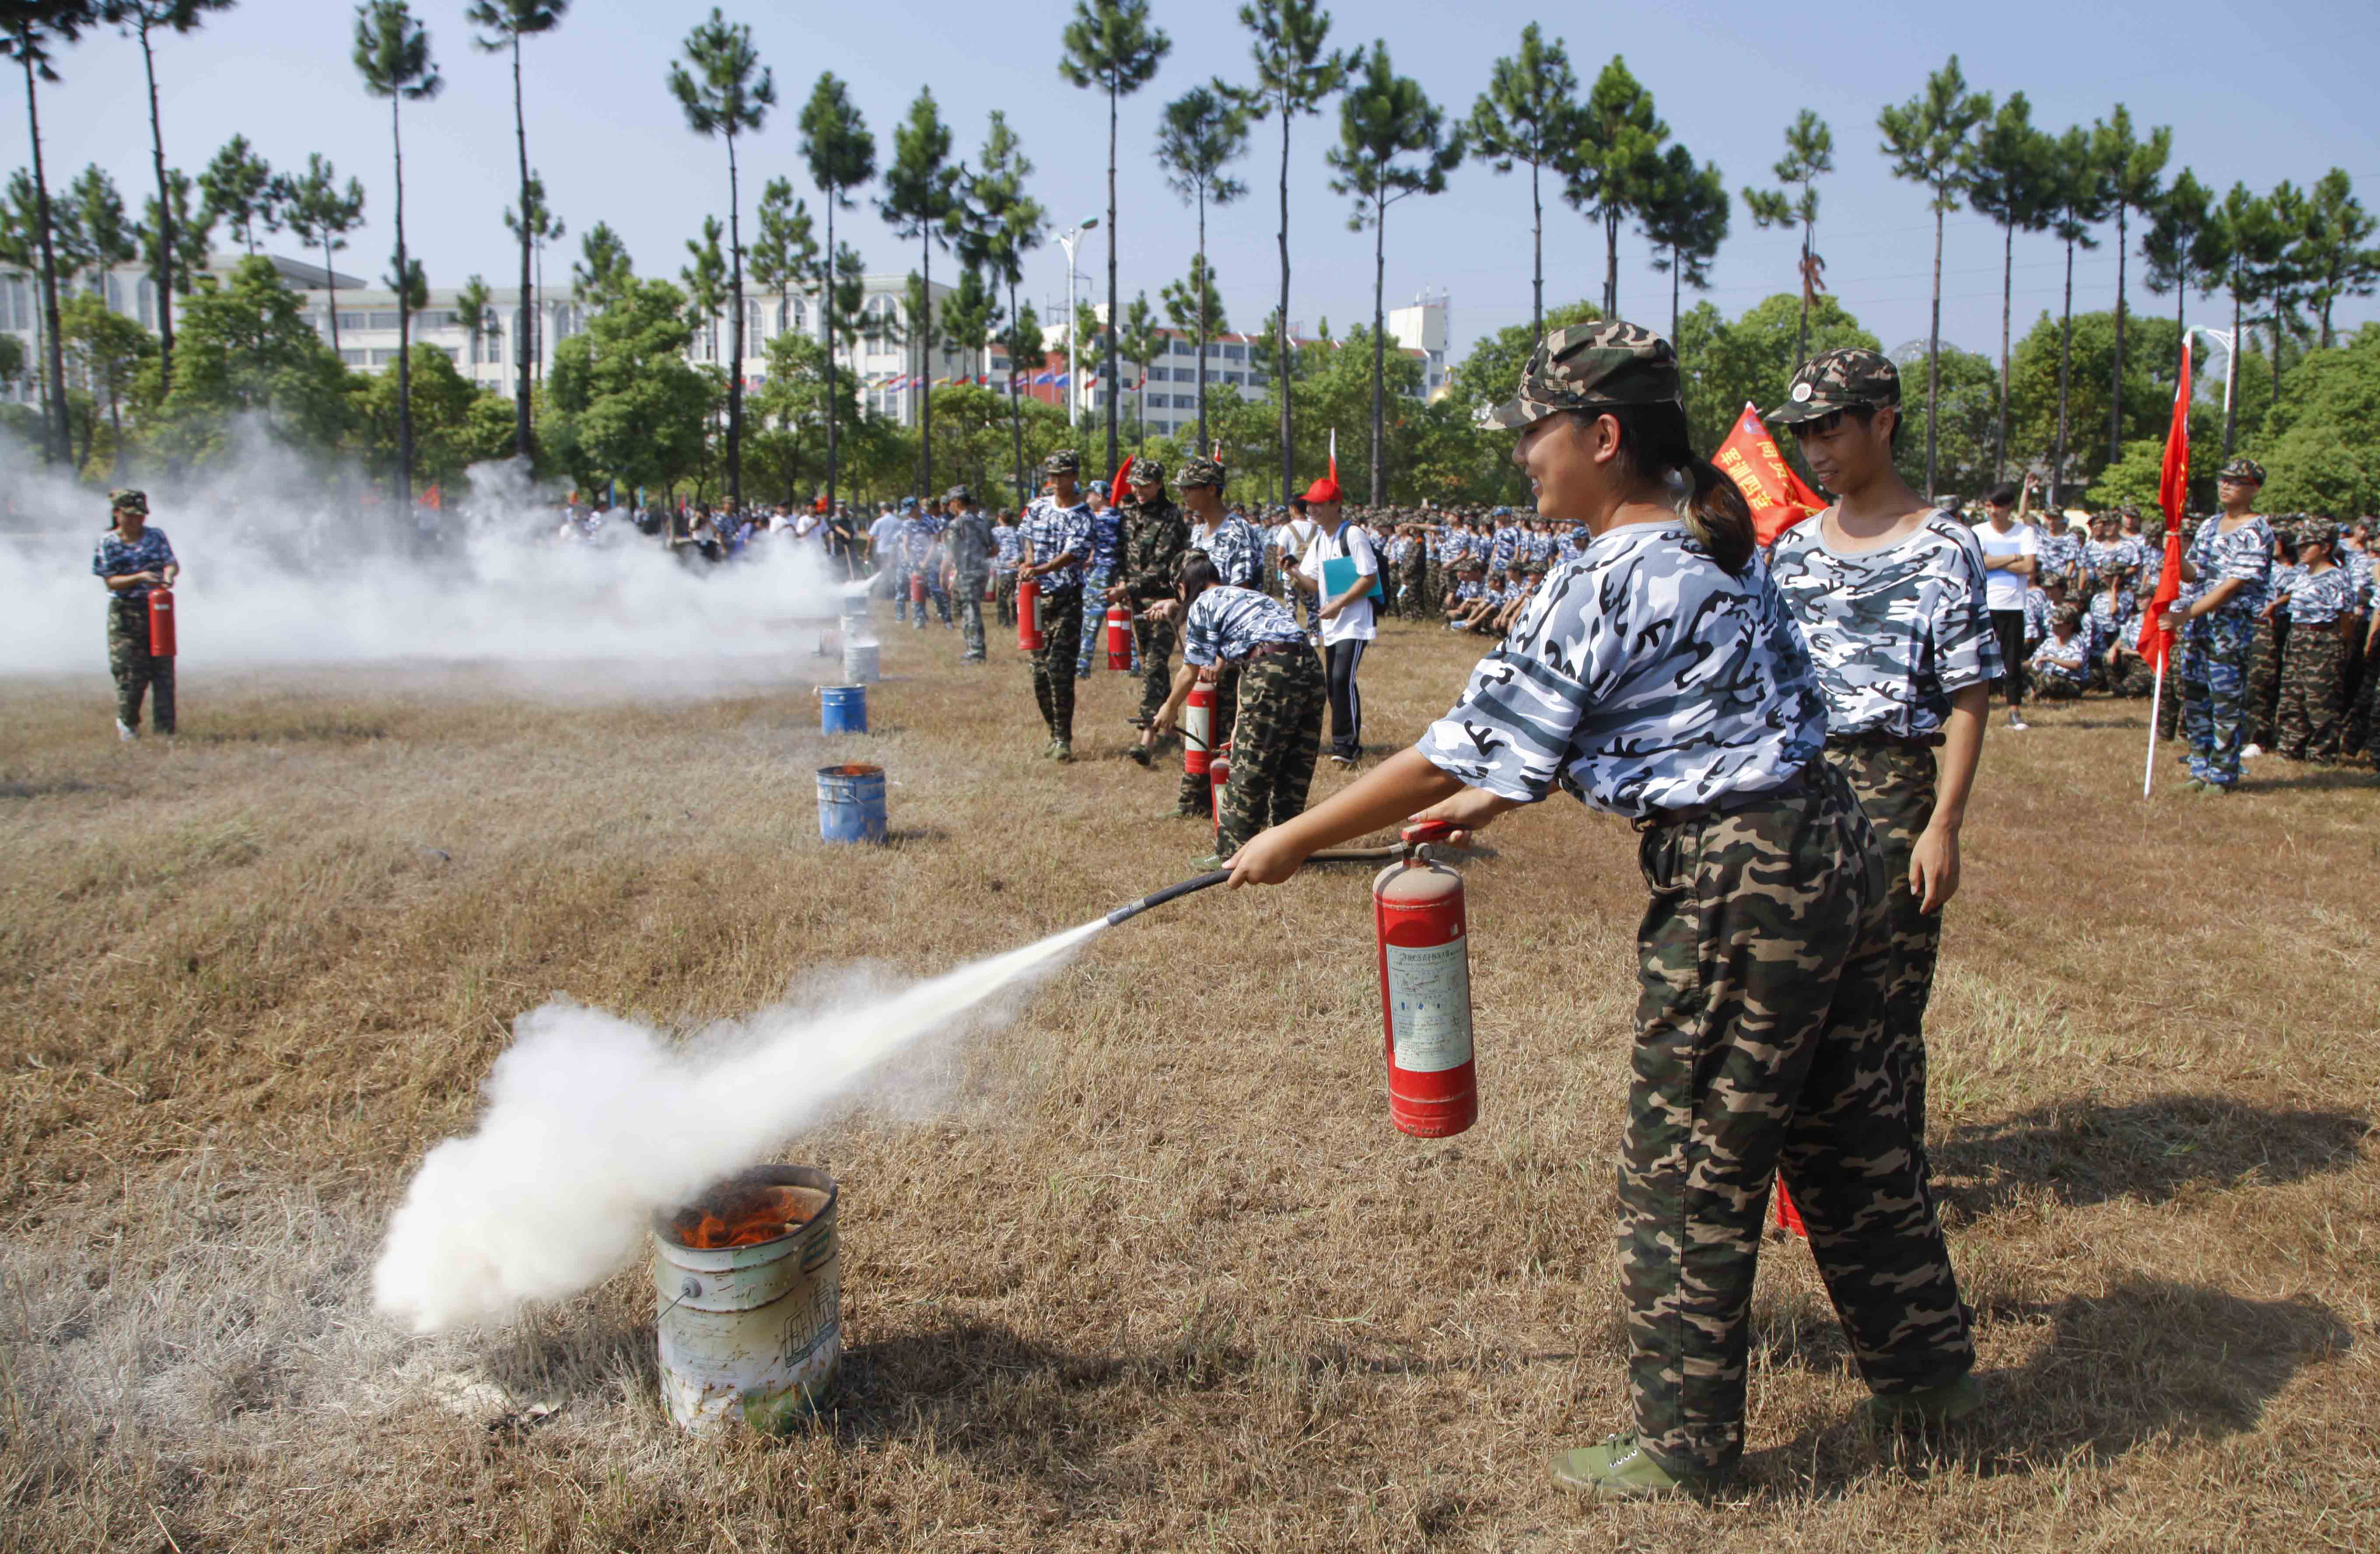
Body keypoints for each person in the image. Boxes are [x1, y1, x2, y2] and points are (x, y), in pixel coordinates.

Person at [1225, 322, 1977, 1499]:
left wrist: (1291, 837)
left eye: (1536, 430)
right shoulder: (1714, 540)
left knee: (1685, 1161)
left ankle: (1683, 1451)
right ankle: (1931, 1385)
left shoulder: (1610, 573)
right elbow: (1631, 727)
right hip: (1830, 846)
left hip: (1744, 885)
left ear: (1604, 434)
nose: (1523, 455)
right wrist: (1487, 803)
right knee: (1846, 1133)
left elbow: (1444, 747)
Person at [1766, 346, 1997, 1189]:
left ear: (1884, 421)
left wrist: (1944, 825)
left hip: (1891, 788)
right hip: (1794, 786)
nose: (1816, 450)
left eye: (1832, 429)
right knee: (1793, 988)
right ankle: (1810, 1174)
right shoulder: (1790, 548)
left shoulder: (1943, 546)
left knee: (1888, 1002)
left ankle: (1892, 1182)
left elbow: (1971, 695)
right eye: (1804, 435)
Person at [1144, 555, 1325, 864]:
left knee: (1249, 765)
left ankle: (1231, 854)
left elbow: (1191, 671)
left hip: (1271, 667)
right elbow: (1250, 662)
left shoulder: (1203, 603)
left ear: (1184, 587)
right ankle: (1290, 846)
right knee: (1296, 761)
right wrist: (1241, 722)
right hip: (1310, 665)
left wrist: (1170, 707)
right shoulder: (1253, 596)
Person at [2170, 458, 2277, 792]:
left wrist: (2188, 613)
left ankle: (2223, 774)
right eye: (2223, 479)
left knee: (2226, 701)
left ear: (2254, 488)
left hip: (2230, 626)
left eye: (2236, 481)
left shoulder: (2257, 530)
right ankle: (2200, 767)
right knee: (2196, 696)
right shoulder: (2209, 525)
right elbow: (2195, 574)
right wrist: (2175, 551)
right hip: (2201, 623)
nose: (2226, 485)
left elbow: (2233, 585)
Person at [1288, 477, 1379, 765]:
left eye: (1317, 504)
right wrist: (1293, 571)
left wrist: (1339, 603)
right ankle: (1342, 743)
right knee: (1333, 683)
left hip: (1354, 621)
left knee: (1342, 680)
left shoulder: (1352, 535)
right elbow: (1312, 583)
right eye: (1309, 505)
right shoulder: (1319, 540)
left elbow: (1370, 577)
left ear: (1335, 505)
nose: (1311, 509)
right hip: (1333, 624)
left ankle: (1348, 746)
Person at [1018, 451, 1094, 760]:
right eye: (1054, 475)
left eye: (1064, 475)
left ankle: (1064, 738)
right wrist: (1028, 562)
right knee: (1038, 672)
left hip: (1067, 599)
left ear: (1075, 476)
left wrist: (1042, 569)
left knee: (1060, 669)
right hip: (1036, 598)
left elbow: (1075, 553)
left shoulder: (1083, 515)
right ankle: (1053, 731)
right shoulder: (1037, 508)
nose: (1058, 481)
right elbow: (1028, 540)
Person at [1114, 458, 1190, 762]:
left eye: (1145, 485)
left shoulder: (1172, 517)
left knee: (1155, 664)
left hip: (1164, 602)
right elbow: (1119, 552)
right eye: (1136, 484)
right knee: (1151, 663)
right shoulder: (1126, 512)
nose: (1139, 490)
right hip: (1135, 600)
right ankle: (1170, 729)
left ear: (1159, 485)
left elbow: (1163, 566)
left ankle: (1146, 737)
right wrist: (1121, 584)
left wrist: (1128, 587)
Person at [92, 489, 180, 742]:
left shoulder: (156, 537)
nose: (136, 521)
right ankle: (128, 722)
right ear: (117, 514)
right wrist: (140, 577)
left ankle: (166, 732)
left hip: (157, 611)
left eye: (140, 516)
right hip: (126, 615)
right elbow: (111, 582)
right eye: (130, 516)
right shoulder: (108, 543)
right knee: (131, 672)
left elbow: (171, 562)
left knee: (163, 673)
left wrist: (169, 576)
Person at [2272, 519, 2355, 762]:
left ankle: (2322, 755)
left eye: (2309, 545)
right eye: (2300, 546)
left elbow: (2346, 618)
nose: (2302, 550)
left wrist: (2342, 645)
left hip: (2323, 639)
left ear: (2326, 547)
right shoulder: (2302, 575)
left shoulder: (2337, 577)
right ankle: (2291, 748)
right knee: (2292, 697)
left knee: (2321, 700)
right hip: (2298, 637)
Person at [1974, 477, 2038, 731]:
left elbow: (2029, 568)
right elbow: (1980, 563)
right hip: (1984, 604)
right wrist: (2013, 557)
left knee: (2012, 661)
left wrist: (1995, 559)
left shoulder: (2025, 532)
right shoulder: (1979, 532)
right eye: (1988, 506)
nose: (1992, 512)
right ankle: (1977, 709)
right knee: (1979, 660)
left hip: (2013, 604)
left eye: (1997, 506)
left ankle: (2014, 710)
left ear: (2008, 506)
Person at [943, 486, 996, 664]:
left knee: (971, 611)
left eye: (951, 502)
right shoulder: (982, 522)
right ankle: (971, 649)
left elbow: (950, 553)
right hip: (982, 571)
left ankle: (976, 652)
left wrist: (943, 575)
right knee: (970, 609)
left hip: (967, 572)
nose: (950, 506)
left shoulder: (957, 524)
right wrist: (980, 557)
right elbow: (995, 549)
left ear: (957, 502)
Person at [2029, 607, 2090, 698]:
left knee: (2047, 680)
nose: (2055, 628)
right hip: (2047, 677)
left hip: (2070, 682)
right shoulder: (2049, 642)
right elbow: (2033, 661)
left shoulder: (2077, 642)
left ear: (2070, 625)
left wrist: (2051, 659)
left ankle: (2035, 693)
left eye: (2059, 626)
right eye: (2053, 625)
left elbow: (2076, 665)